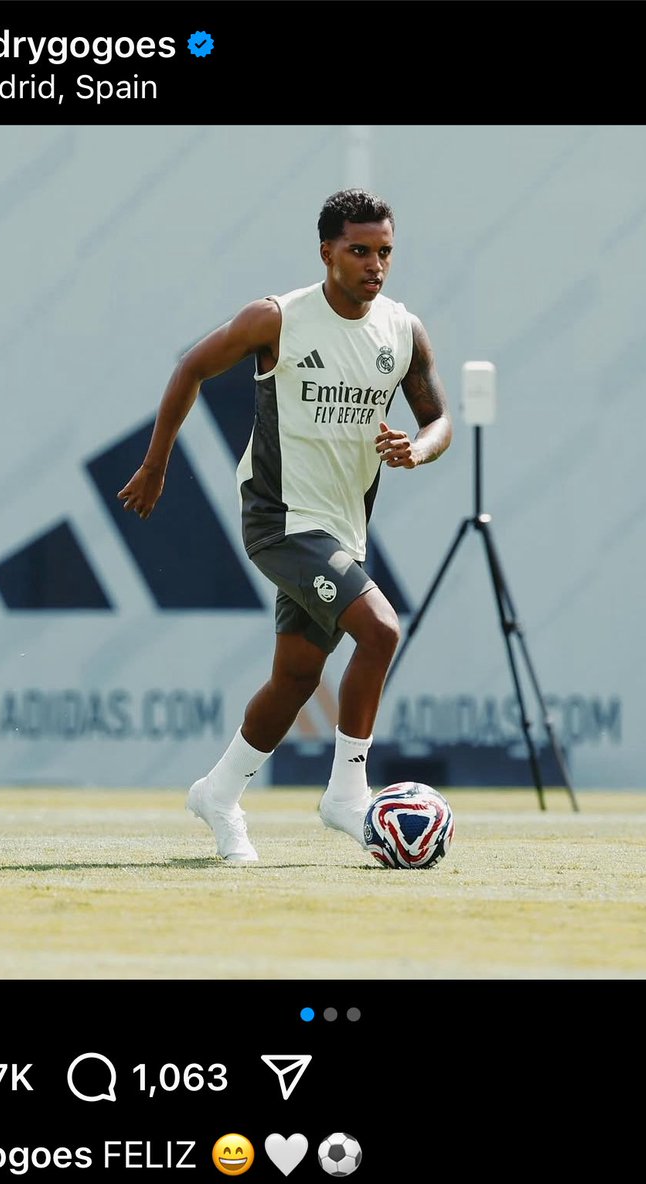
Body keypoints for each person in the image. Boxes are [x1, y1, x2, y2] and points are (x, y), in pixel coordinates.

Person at [118, 188, 453, 861]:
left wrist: (416, 449)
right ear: (326, 251)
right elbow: (191, 366)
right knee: (381, 630)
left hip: (340, 529)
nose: (373, 264)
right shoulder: (276, 319)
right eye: (358, 251)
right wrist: (157, 465)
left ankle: (217, 793)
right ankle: (346, 795)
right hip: (279, 521)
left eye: (384, 252)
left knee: (297, 677)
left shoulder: (402, 330)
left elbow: (438, 420)